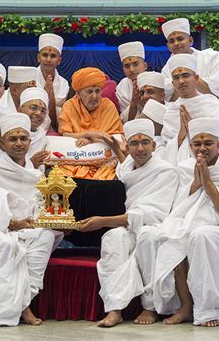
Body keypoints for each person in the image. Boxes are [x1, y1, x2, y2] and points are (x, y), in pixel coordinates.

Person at [135, 117, 219, 327]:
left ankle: (208, 308)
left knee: (201, 235)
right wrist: (196, 183)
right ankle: (177, 306)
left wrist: (208, 183)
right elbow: (178, 208)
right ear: (190, 145)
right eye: (197, 144)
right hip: (190, 223)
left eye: (208, 143)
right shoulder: (184, 167)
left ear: (218, 144)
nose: (202, 148)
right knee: (162, 236)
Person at [0, 112, 62, 327]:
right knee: (8, 245)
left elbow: (38, 205)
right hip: (0, 230)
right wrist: (14, 224)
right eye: (12, 139)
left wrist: (49, 220)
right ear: (3, 143)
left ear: (29, 142)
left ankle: (23, 302)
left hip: (31, 229)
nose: (19, 143)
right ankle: (23, 308)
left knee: (45, 237)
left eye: (23, 138)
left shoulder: (34, 173)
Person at [78, 118, 179, 327]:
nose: (140, 148)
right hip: (128, 225)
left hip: (154, 226)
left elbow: (154, 213)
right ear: (127, 146)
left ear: (154, 145)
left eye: (145, 142)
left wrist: (103, 221)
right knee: (112, 238)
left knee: (147, 237)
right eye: (134, 143)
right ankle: (115, 309)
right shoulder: (126, 168)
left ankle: (150, 307)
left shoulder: (166, 171)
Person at [58, 67, 124, 180]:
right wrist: (89, 134)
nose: (94, 96)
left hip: (104, 162)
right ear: (78, 93)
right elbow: (65, 134)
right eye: (89, 92)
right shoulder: (69, 105)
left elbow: (115, 138)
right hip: (74, 160)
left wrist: (89, 140)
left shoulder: (108, 106)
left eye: (97, 91)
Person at [161, 53, 219, 166]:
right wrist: (182, 134)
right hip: (181, 165)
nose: (181, 81)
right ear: (173, 83)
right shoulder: (171, 111)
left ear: (196, 78)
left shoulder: (211, 104)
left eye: (185, 75)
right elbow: (167, 147)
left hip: (212, 163)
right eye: (176, 78)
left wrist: (194, 129)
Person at [161, 18, 219, 103]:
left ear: (190, 41)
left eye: (180, 39)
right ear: (168, 46)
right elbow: (167, 101)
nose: (176, 43)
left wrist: (188, 81)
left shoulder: (212, 58)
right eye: (172, 41)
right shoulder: (166, 70)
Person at [36, 33, 70, 130]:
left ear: (59, 60)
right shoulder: (29, 79)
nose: (48, 59)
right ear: (38, 58)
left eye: (53, 56)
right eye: (45, 55)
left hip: (55, 129)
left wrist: (51, 101)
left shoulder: (64, 84)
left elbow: (62, 117)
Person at [18, 87, 50, 169]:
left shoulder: (42, 137)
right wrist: (30, 164)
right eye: (33, 108)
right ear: (20, 109)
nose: (38, 113)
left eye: (43, 111)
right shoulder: (9, 133)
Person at [116, 41, 148, 117]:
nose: (132, 69)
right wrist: (133, 103)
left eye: (135, 64)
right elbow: (125, 120)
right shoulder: (122, 86)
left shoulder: (155, 80)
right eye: (127, 66)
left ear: (145, 66)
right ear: (123, 69)